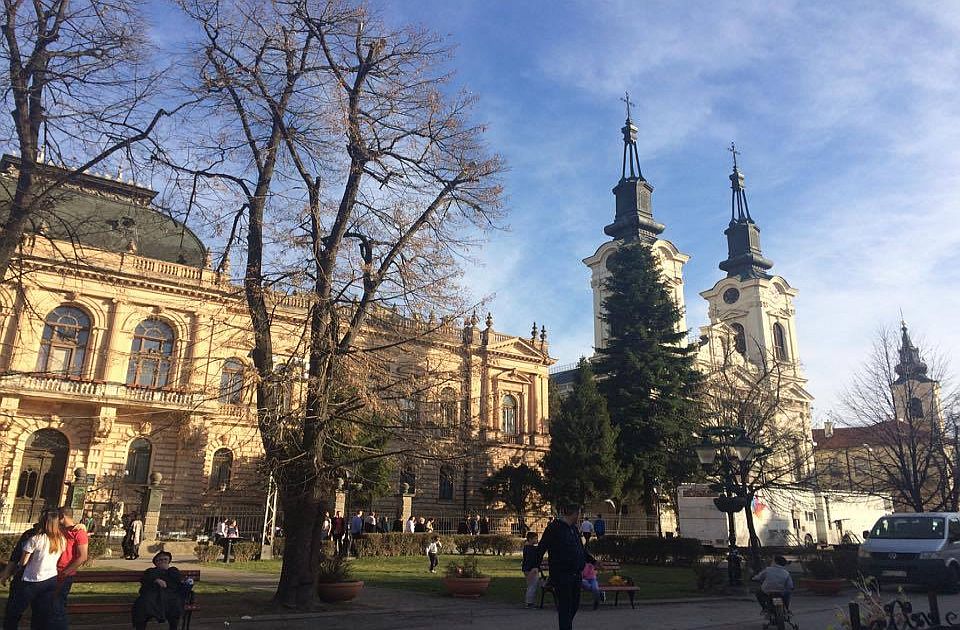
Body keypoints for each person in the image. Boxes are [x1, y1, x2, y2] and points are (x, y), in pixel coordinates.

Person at [534, 504, 595, 630]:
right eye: (579, 514)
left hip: (576, 574)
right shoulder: (554, 528)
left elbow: (580, 550)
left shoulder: (574, 529)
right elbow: (542, 547)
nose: (579, 516)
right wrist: (534, 566)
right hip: (562, 575)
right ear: (574, 514)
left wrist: (593, 561)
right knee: (565, 607)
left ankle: (566, 626)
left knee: (574, 605)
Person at [4, 511, 65, 630]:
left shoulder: (34, 539)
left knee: (14, 612)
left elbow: (23, 562)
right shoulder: (61, 540)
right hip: (50, 578)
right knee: (40, 614)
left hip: (31, 579)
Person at [48, 507, 90, 630]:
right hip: (51, 571)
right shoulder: (61, 529)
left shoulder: (79, 532)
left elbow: (83, 556)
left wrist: (66, 572)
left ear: (63, 516)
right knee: (50, 605)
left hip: (65, 573)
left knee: (58, 606)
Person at [0, 519, 43, 630]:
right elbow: (15, 556)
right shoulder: (31, 535)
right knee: (17, 612)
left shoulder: (34, 537)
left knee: (14, 612)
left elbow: (20, 559)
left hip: (28, 578)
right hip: (40, 579)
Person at [131, 551, 186, 630]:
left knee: (175, 603)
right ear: (155, 563)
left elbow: (178, 582)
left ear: (169, 561)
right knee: (142, 604)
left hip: (170, 596)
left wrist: (168, 571)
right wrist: (156, 580)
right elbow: (145, 580)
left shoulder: (173, 570)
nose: (163, 561)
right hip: (152, 596)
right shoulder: (151, 571)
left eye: (165, 559)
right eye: (160, 560)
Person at [521, 531, 541, 608]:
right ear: (530, 539)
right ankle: (529, 602)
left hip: (527, 568)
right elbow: (531, 560)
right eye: (535, 538)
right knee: (532, 585)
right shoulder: (530, 549)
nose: (537, 540)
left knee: (530, 585)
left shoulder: (527, 548)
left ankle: (529, 601)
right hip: (531, 569)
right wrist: (534, 568)